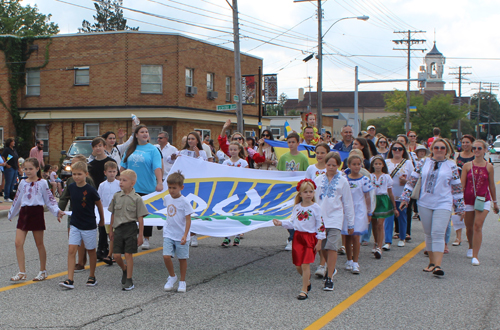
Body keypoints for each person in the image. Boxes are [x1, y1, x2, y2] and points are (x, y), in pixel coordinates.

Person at [400, 138, 465, 277]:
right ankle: (431, 262)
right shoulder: (423, 162)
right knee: (428, 233)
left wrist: (459, 207)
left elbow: (457, 187)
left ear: (447, 150)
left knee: (438, 233)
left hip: (443, 203)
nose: (439, 150)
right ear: (432, 149)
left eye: (442, 148)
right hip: (424, 202)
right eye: (436, 148)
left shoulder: (451, 165)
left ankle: (438, 265)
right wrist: (405, 197)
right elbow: (412, 180)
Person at [8, 158, 64, 282]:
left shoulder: (43, 183)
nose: (27, 171)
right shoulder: (22, 183)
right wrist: (11, 214)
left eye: (30, 169)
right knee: (18, 243)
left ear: (37, 169)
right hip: (24, 213)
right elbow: (17, 199)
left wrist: (56, 211)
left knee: (39, 244)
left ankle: (43, 270)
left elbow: (49, 199)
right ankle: (22, 271)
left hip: (36, 212)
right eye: (25, 169)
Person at [273, 179, 325, 300]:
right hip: (298, 237)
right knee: (298, 265)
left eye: (311, 191)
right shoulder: (297, 207)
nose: (308, 194)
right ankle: (307, 281)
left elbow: (320, 225)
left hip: (310, 238)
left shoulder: (316, 208)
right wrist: (281, 223)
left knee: (306, 264)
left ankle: (304, 290)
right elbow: (292, 223)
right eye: (305, 192)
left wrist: (320, 240)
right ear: (300, 194)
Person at [59, 161, 105, 289]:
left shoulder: (90, 190)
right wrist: (59, 211)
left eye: (79, 174)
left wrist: (101, 219)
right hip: (75, 223)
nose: (76, 177)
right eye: (74, 174)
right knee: (71, 250)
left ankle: (92, 276)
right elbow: (66, 199)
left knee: (91, 250)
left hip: (89, 224)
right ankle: (70, 279)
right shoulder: (71, 187)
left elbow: (99, 204)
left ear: (86, 174)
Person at [314, 152, 354, 291]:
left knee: (332, 247)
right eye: (328, 164)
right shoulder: (318, 179)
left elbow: (348, 202)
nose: (331, 167)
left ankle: (329, 278)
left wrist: (350, 223)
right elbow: (313, 199)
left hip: (335, 218)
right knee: (323, 248)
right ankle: (331, 267)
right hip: (320, 219)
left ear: (339, 165)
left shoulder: (343, 181)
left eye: (334, 165)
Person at [121, 125, 163, 251]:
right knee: (129, 214)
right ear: (136, 135)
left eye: (146, 132)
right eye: (142, 132)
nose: (145, 134)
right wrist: (120, 179)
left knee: (145, 214)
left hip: (147, 187)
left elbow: (157, 167)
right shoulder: (130, 149)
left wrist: (159, 182)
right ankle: (130, 238)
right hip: (131, 187)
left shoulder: (153, 150)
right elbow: (123, 166)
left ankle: (146, 238)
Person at [109, 169, 149, 290]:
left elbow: (141, 218)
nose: (120, 182)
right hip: (118, 229)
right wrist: (111, 230)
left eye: (124, 180)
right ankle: (125, 269)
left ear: (132, 183)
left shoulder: (137, 198)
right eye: (120, 179)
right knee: (116, 256)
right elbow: (113, 214)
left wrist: (141, 235)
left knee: (128, 254)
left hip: (130, 228)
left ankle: (129, 280)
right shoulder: (116, 196)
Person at [461, 139, 499, 265]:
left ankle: (475, 256)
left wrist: (495, 202)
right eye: (474, 148)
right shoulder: (467, 166)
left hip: (483, 199)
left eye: (479, 148)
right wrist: (459, 202)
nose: (476, 151)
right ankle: (471, 247)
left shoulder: (489, 166)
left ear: (485, 150)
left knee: (478, 225)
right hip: (468, 200)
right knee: (469, 227)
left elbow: (492, 185)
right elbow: (462, 185)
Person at [58, 155, 96, 271]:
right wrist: (59, 210)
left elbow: (94, 197)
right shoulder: (70, 180)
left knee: (83, 239)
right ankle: (74, 261)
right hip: (73, 212)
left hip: (85, 213)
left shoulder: (88, 181)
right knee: (73, 238)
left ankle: (81, 261)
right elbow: (65, 197)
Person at [88, 137, 120, 260]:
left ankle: (113, 251)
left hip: (114, 208)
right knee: (102, 228)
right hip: (101, 201)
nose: (98, 148)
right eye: (95, 146)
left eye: (100, 145)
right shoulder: (90, 165)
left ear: (104, 147)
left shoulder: (111, 161)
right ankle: (102, 249)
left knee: (114, 230)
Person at [277, 132, 309, 251]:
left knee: (297, 213)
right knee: (288, 214)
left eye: (293, 142)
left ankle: (294, 237)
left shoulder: (302, 158)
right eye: (289, 142)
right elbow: (279, 174)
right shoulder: (284, 158)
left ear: (298, 143)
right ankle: (292, 237)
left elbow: (306, 174)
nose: (291, 144)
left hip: (298, 190)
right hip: (287, 190)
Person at [162, 171, 194, 293]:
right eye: (169, 188)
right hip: (169, 233)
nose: (171, 190)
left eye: (174, 188)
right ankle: (172, 276)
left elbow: (188, 219)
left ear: (181, 187)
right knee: (166, 256)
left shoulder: (184, 202)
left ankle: (182, 281)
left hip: (181, 235)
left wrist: (185, 235)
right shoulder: (167, 198)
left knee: (182, 258)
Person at [344, 154, 373, 274]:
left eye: (358, 164)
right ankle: (349, 259)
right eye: (354, 164)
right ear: (349, 165)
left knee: (356, 235)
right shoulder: (344, 179)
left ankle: (356, 261)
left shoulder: (364, 180)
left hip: (360, 209)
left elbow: (368, 197)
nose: (356, 167)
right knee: (347, 235)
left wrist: (369, 211)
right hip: (347, 210)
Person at [385, 141, 414, 248]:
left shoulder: (408, 163)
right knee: (388, 217)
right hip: (389, 194)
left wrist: (405, 181)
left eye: (400, 149)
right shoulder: (386, 162)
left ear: (403, 151)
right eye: (394, 149)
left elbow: (413, 180)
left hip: (402, 194)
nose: (397, 151)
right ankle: (387, 240)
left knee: (402, 216)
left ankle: (402, 237)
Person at [369, 156, 398, 259]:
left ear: (383, 165)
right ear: (372, 165)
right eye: (376, 164)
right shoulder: (369, 176)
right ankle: (376, 242)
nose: (377, 166)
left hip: (382, 200)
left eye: (379, 164)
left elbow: (390, 192)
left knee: (380, 223)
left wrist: (394, 207)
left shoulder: (386, 177)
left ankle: (379, 247)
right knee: (374, 223)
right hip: (373, 199)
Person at [97, 161, 121, 265]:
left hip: (116, 212)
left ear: (116, 172)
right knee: (108, 233)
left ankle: (115, 253)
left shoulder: (119, 184)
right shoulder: (102, 185)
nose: (112, 173)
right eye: (109, 171)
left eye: (114, 171)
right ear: (105, 172)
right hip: (106, 212)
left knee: (115, 233)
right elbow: (99, 198)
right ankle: (105, 251)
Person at [453, 134, 475, 246]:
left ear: (472, 144)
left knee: (470, 212)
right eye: (463, 142)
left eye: (467, 142)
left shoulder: (476, 156)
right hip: (458, 186)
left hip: (471, 187)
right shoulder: (457, 156)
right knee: (458, 211)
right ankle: (458, 237)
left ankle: (470, 233)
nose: (465, 144)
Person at [2, 138, 20, 202]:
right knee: (8, 182)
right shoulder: (7, 150)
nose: (14, 143)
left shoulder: (14, 150)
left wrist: (19, 167)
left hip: (15, 167)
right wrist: (6, 164)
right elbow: (3, 156)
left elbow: (16, 158)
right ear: (10, 143)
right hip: (9, 168)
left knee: (13, 182)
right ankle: (6, 196)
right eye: (13, 141)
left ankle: (11, 195)